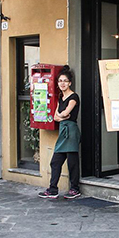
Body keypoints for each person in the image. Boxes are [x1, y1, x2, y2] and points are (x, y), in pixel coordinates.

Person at [39, 66, 81, 200]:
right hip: (63, 130)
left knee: (72, 162)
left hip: (71, 131)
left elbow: (64, 113)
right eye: (60, 81)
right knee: (56, 161)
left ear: (70, 83)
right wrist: (61, 116)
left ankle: (75, 189)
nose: (62, 83)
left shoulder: (74, 97)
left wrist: (61, 116)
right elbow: (56, 117)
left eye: (65, 81)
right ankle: (53, 190)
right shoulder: (61, 98)